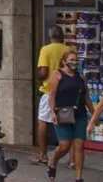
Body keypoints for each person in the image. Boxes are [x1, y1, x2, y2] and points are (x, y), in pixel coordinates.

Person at [47, 50, 93, 182]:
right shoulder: (57, 74)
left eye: (76, 60)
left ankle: (79, 177)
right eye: (71, 60)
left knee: (79, 146)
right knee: (64, 145)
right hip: (63, 114)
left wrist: (93, 114)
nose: (74, 62)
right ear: (64, 61)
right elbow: (52, 95)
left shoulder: (80, 77)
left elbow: (86, 97)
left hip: (80, 114)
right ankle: (53, 161)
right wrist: (52, 112)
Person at [35, 25, 71, 165]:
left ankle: (43, 155)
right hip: (67, 91)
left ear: (50, 36)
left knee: (43, 121)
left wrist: (39, 77)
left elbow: (44, 72)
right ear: (62, 36)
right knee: (68, 122)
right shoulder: (69, 50)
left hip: (49, 91)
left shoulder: (46, 49)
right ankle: (72, 160)